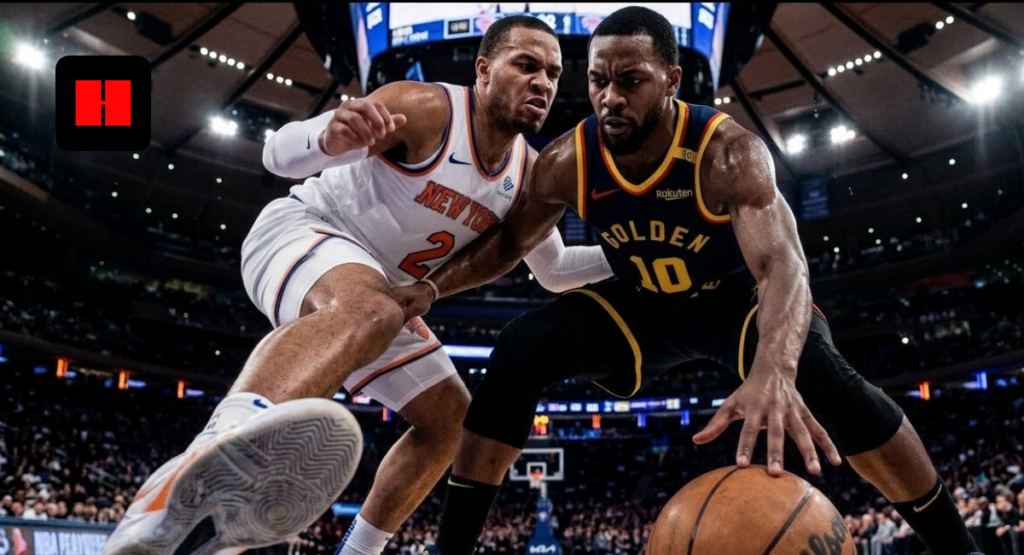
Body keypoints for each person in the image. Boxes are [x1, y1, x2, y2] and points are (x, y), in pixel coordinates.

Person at [394, 7, 986, 555]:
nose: (610, 97)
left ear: (672, 81)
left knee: (831, 382)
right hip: (643, 308)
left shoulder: (727, 151)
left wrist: (774, 369)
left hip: (735, 302)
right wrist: (432, 288)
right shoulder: (568, 160)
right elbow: (508, 244)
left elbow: (782, 266)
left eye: (631, 80)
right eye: (599, 81)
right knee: (520, 347)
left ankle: (961, 549)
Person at [102, 15, 615, 555]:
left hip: (381, 296)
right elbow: (277, 154)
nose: (542, 83)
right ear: (484, 69)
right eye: (527, 65)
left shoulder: (529, 175)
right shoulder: (427, 109)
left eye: (553, 73)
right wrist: (324, 137)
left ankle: (358, 551)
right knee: (372, 310)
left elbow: (555, 270)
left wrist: (637, 255)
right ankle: (197, 467)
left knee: (450, 422)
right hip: (303, 232)